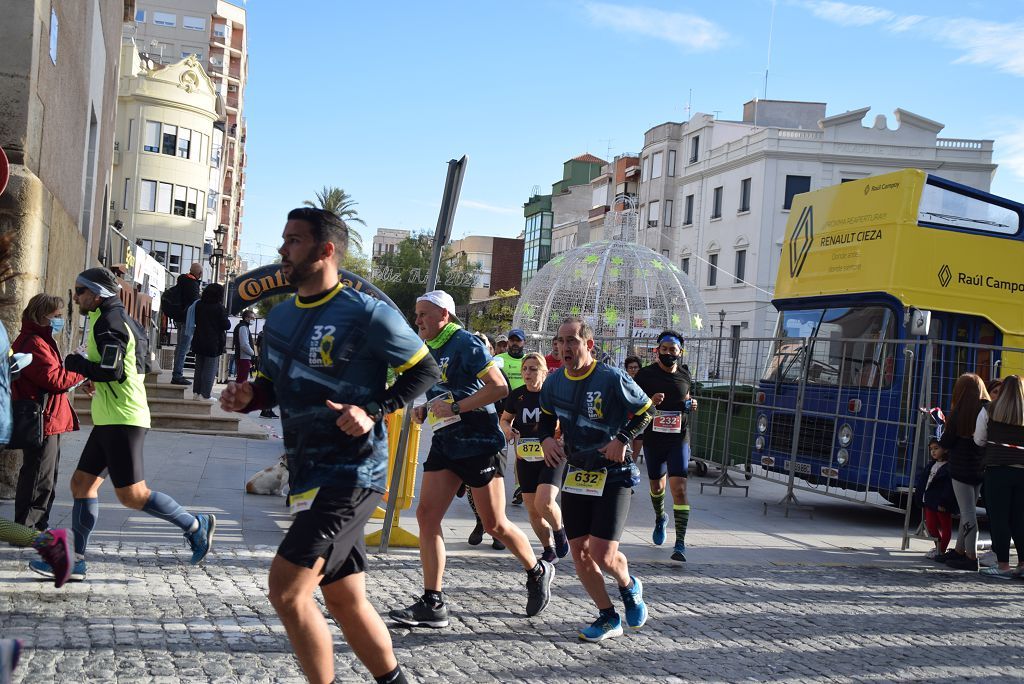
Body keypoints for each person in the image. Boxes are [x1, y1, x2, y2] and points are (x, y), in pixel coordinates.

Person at [221, 207, 438, 684]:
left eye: (294, 241)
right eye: (283, 239)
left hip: (353, 471)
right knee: (344, 599)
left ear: (326, 250)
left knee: (287, 590)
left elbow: (425, 370)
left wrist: (375, 409)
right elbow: (270, 383)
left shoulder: (367, 313)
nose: (282, 250)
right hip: (306, 474)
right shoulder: (278, 316)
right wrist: (247, 396)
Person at [29, 267, 215, 583]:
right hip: (111, 417)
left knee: (133, 496)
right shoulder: (123, 319)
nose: (76, 297)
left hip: (123, 420)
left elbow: (113, 371)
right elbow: (135, 366)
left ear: (97, 293)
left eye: (80, 291)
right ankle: (77, 561)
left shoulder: (109, 322)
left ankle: (195, 526)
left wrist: (79, 366)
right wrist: (96, 379)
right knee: (81, 485)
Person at [389, 290, 554, 628]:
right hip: (447, 441)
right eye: (416, 314)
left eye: (423, 314)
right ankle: (432, 601)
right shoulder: (430, 348)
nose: (417, 320)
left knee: (495, 524)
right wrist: (426, 407)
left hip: (479, 441)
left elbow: (499, 388)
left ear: (444, 316)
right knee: (426, 515)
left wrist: (455, 408)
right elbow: (447, 390)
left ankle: (537, 570)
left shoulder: (465, 343)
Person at [539, 317, 652, 641]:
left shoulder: (611, 378)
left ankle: (629, 587)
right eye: (560, 341)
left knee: (603, 554)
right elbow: (546, 418)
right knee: (580, 553)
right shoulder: (554, 381)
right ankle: (607, 616)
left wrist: (622, 438)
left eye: (572, 341)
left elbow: (646, 411)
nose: (565, 348)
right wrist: (547, 439)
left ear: (588, 345)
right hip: (579, 473)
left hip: (614, 475)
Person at [12, 294, 86, 531]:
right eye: (56, 316)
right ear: (41, 315)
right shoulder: (33, 342)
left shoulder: (40, 340)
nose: (60, 320)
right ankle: (27, 527)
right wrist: (82, 372)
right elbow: (54, 379)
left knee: (46, 474)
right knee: (38, 476)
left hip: (49, 417)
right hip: (41, 418)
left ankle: (38, 523)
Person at [632, 332, 698, 562]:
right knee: (657, 487)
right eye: (665, 348)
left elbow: (687, 397)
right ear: (657, 350)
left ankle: (680, 543)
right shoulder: (645, 375)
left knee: (679, 488)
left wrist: (691, 403)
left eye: (673, 349)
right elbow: (633, 402)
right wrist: (650, 401)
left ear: (680, 352)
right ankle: (660, 517)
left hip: (678, 437)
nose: (668, 353)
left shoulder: (685, 375)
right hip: (654, 438)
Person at [499, 352, 568, 564]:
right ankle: (548, 549)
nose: (528, 373)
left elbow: (570, 420)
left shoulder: (554, 395)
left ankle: (559, 531)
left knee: (544, 502)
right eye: (525, 369)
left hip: (552, 456)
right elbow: (505, 420)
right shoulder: (517, 395)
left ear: (545, 372)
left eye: (533, 369)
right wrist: (508, 431)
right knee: (532, 508)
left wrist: (563, 438)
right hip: (525, 457)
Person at [937, 372, 990, 571]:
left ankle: (970, 557)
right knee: (967, 508)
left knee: (967, 513)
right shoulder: (986, 409)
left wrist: (937, 451)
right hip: (979, 467)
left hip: (960, 468)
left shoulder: (959, 411)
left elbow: (947, 442)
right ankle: (960, 551)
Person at [974, 374, 1024, 578]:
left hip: (997, 470)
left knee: (999, 518)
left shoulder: (989, 410)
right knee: (1021, 518)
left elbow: (979, 440)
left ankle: (1003, 565)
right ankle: (1023, 563)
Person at [915, 437, 957, 560]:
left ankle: (942, 550)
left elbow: (949, 487)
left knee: (945, 526)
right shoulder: (931, 464)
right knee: (931, 525)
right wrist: (920, 496)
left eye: (936, 448)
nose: (933, 451)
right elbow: (924, 482)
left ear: (945, 450)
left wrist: (944, 501)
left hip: (941, 502)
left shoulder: (949, 467)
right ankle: (938, 547)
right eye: (931, 449)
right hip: (929, 501)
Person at [190, 283, 230, 401]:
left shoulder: (199, 305)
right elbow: (226, 325)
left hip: (198, 339)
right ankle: (205, 395)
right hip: (213, 342)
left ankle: (196, 393)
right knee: (210, 369)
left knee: (199, 368)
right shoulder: (218, 307)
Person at [170, 263, 203, 385]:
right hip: (186, 320)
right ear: (199, 274)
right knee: (183, 348)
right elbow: (195, 303)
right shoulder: (192, 284)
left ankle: (176, 373)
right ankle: (177, 375)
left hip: (179, 318)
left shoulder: (182, 281)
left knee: (180, 347)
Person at [233, 309, 256, 384]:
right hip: (243, 357)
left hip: (243, 357)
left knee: (241, 379)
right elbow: (244, 344)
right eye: (252, 318)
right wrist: (252, 353)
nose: (253, 320)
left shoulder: (243, 326)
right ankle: (238, 395)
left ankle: (238, 394)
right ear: (246, 318)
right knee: (242, 380)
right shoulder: (243, 327)